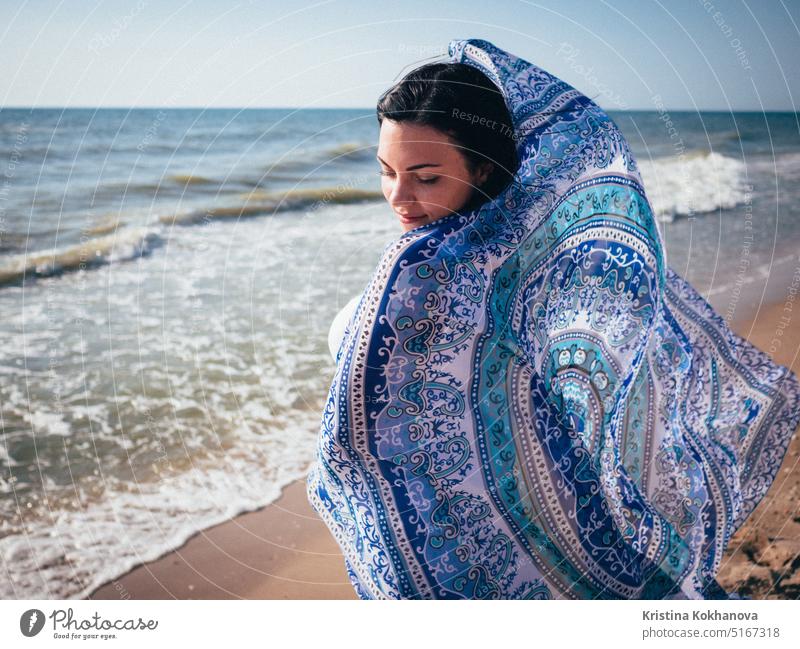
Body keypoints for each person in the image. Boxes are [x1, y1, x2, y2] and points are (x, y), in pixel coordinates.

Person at [308, 37, 800, 599]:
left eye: (426, 177)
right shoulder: (553, 245)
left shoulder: (431, 275)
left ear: (484, 171)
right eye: (385, 171)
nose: (399, 197)